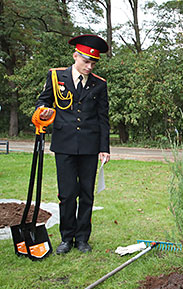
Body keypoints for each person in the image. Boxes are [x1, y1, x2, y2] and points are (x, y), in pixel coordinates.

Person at [36, 34, 110, 254]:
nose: (89, 66)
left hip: (89, 146)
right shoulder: (56, 76)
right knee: (67, 194)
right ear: (75, 56)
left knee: (86, 194)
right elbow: (43, 100)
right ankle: (66, 238)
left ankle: (82, 239)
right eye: (86, 61)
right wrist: (43, 111)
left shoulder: (99, 84)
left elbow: (103, 118)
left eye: (93, 63)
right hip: (64, 145)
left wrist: (104, 147)